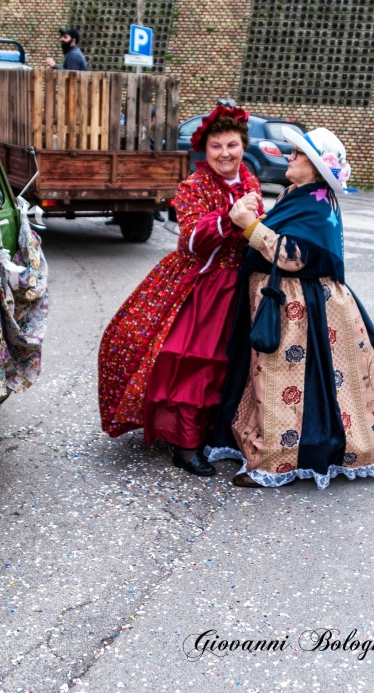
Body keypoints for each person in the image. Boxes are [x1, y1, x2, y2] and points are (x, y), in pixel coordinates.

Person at [213, 127, 374, 490]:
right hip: (290, 301)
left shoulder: (317, 204)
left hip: (300, 309)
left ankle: (276, 462)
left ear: (317, 169)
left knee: (282, 380)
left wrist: (249, 226)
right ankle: (264, 446)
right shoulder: (298, 193)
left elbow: (292, 256)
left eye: (298, 155)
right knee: (267, 376)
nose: (290, 157)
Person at [98, 105, 264, 476]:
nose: (225, 154)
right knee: (193, 360)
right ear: (204, 151)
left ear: (243, 146)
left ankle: (217, 433)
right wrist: (228, 219)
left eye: (232, 145)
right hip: (203, 283)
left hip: (241, 284)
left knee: (234, 363)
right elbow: (189, 241)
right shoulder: (194, 186)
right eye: (216, 146)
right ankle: (185, 445)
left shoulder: (250, 180)